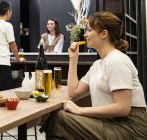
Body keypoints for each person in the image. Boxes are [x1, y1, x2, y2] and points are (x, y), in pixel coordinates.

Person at [41, 11, 147, 139]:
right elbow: (73, 93)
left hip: (130, 126)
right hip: (109, 122)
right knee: (58, 119)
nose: (85, 34)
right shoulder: (98, 64)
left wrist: (80, 110)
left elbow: (122, 108)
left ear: (104, 34)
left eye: (89, 30)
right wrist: (73, 59)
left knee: (59, 118)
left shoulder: (118, 60)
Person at [0, 1, 25, 91]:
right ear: (8, 12)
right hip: (4, 64)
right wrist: (18, 58)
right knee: (5, 91)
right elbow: (12, 45)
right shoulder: (7, 25)